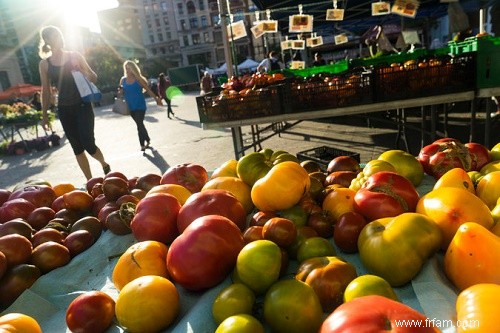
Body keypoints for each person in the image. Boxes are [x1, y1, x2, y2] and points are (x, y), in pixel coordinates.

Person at [38, 25, 110, 181]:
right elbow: (46, 91)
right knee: (77, 148)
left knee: (89, 144)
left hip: (82, 106)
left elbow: (94, 77)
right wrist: (44, 115)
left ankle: (104, 163)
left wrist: (81, 69)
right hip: (64, 109)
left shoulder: (74, 55)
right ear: (47, 41)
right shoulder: (44, 64)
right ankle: (90, 181)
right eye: (54, 36)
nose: (59, 39)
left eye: (59, 35)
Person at [120, 60, 163, 151]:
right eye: (126, 68)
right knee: (140, 124)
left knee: (139, 124)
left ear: (133, 69)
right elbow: (121, 93)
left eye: (130, 68)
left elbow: (148, 90)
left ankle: (142, 144)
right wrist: (120, 91)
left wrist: (156, 99)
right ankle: (147, 139)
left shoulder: (138, 79)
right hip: (130, 107)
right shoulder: (123, 80)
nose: (128, 70)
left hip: (140, 105)